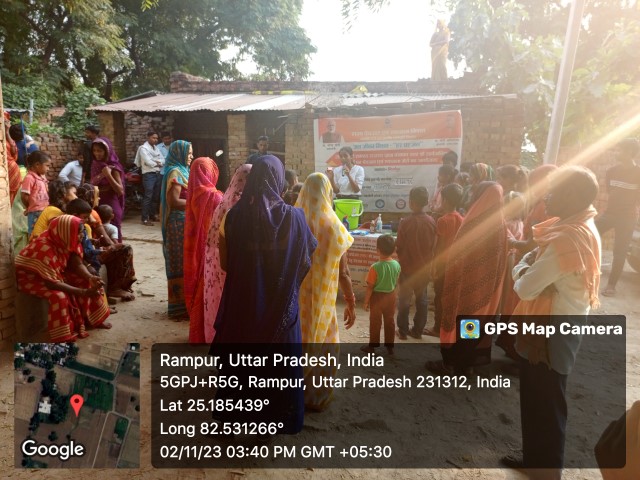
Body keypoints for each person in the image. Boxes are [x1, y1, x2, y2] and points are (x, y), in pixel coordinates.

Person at [503, 166, 601, 478]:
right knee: (538, 399)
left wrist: (521, 266)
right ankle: (535, 461)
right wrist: (530, 268)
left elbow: (524, 287)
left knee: (546, 402)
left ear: (571, 195)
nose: (547, 196)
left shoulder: (566, 240)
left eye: (554, 190)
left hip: (550, 335)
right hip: (557, 327)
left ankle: (546, 471)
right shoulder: (580, 226)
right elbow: (535, 277)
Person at [213, 155, 316, 435]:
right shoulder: (295, 217)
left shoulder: (233, 217)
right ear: (279, 181)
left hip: (243, 304)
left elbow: (225, 264)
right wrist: (283, 284)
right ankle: (277, 418)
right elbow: (305, 260)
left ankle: (239, 416)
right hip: (282, 307)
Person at [427, 181, 507, 374]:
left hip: (465, 286)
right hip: (487, 288)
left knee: (462, 321)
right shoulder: (500, 224)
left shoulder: (473, 223)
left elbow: (459, 255)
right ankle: (467, 365)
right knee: (474, 325)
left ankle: (451, 364)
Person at [295, 172, 356, 411]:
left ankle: (292, 393)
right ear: (327, 193)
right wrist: (350, 301)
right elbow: (344, 272)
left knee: (298, 340)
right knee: (325, 341)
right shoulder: (334, 227)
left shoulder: (293, 221)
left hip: (296, 298)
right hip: (323, 297)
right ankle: (316, 397)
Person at [15, 215, 111, 342]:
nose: (82, 236)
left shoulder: (67, 238)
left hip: (54, 272)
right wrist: (82, 292)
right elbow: (51, 284)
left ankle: (94, 320)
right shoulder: (44, 247)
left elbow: (77, 263)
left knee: (86, 281)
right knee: (59, 296)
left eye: (82, 232)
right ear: (66, 231)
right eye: (79, 232)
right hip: (32, 278)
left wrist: (90, 277)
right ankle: (62, 335)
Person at [203, 164, 252, 343]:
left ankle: (216, 335)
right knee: (229, 297)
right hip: (228, 255)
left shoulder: (226, 198)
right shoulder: (240, 202)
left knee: (217, 295)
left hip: (214, 253)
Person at [184, 157, 223, 342]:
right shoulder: (215, 196)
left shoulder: (194, 193)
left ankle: (197, 331)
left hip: (196, 247)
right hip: (213, 250)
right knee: (211, 289)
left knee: (200, 285)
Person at [595, 138, 640, 297]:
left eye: (619, 150)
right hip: (610, 214)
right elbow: (610, 192)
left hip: (627, 218)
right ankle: (585, 270)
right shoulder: (611, 171)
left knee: (619, 252)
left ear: (630, 152)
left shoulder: (638, 173)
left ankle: (611, 286)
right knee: (589, 233)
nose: (616, 152)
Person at [395, 186, 436, 340]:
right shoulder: (431, 221)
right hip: (424, 268)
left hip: (407, 267)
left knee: (404, 300)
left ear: (411, 202)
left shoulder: (406, 222)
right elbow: (434, 245)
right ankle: (418, 330)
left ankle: (403, 330)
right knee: (422, 300)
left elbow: (399, 245)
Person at [160, 140, 192, 319]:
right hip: (178, 224)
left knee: (186, 261)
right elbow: (174, 201)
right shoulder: (175, 172)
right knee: (179, 261)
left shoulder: (184, 170)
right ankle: (179, 306)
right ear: (179, 154)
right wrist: (196, 203)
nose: (191, 156)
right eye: (189, 153)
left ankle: (186, 303)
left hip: (185, 221)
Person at [427, 183, 464, 338]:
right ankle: (448, 325)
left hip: (443, 264)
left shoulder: (443, 220)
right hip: (457, 262)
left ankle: (438, 328)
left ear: (446, 200)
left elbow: (439, 247)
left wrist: (434, 266)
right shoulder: (461, 218)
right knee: (451, 296)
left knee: (440, 296)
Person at [363, 234, 401, 355]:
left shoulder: (375, 267)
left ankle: (372, 347)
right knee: (390, 321)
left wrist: (366, 302)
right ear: (394, 250)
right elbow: (397, 282)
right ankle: (390, 347)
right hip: (391, 296)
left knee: (375, 322)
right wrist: (395, 295)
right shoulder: (397, 265)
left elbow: (370, 287)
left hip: (377, 298)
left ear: (378, 250)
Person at [90, 137, 125, 241]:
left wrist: (108, 175)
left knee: (114, 234)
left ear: (107, 151)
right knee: (99, 234)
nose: (97, 153)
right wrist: (102, 175)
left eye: (100, 151)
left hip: (111, 204)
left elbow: (120, 191)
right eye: (94, 150)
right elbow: (92, 183)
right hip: (97, 203)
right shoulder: (95, 164)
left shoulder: (113, 167)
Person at [135, 130, 165, 226]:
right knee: (148, 196)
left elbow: (163, 160)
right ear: (148, 137)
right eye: (153, 138)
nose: (155, 140)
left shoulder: (156, 148)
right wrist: (157, 162)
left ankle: (152, 215)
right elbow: (148, 162)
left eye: (156, 138)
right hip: (148, 175)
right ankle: (144, 218)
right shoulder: (143, 148)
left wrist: (156, 162)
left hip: (157, 174)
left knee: (155, 196)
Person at [21, 151, 51, 237]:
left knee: (43, 234)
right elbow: (24, 196)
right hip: (34, 212)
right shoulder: (29, 178)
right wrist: (30, 207)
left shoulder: (42, 177)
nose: (48, 169)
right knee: (34, 234)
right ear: (37, 164)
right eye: (47, 165)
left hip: (44, 211)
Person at [3, 111, 21, 205]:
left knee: (12, 197)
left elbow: (14, 151)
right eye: (5, 122)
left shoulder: (7, 138)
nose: (7, 123)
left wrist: (7, 132)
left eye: (7, 121)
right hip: (7, 168)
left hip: (12, 169)